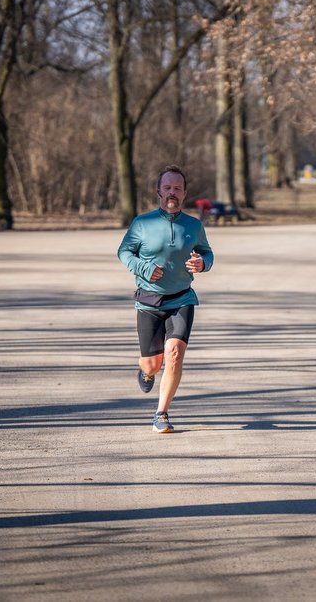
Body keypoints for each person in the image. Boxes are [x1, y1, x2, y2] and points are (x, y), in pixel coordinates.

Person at [117, 165, 214, 434]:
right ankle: (146, 370)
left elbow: (207, 252)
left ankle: (161, 413)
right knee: (153, 362)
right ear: (158, 191)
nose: (172, 192)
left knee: (174, 354)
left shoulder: (193, 225)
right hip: (148, 301)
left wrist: (202, 263)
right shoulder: (142, 223)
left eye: (178, 188)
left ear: (184, 194)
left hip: (181, 299)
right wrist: (143, 267)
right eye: (168, 187)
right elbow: (124, 252)